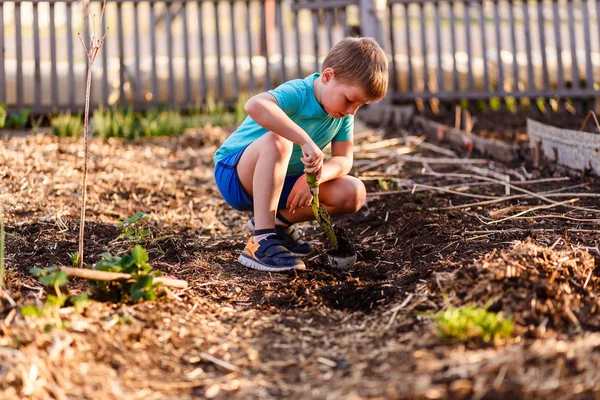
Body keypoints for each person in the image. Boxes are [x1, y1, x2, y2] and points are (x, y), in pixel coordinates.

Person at [214, 37, 388, 272]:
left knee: (353, 192)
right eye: (349, 100)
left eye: (359, 105)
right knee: (279, 142)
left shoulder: (343, 115)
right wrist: (304, 140)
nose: (351, 111)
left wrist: (318, 177)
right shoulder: (299, 92)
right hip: (236, 174)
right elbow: (254, 105)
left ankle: (276, 223)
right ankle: (261, 242)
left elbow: (344, 159)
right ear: (328, 76)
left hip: (281, 182)